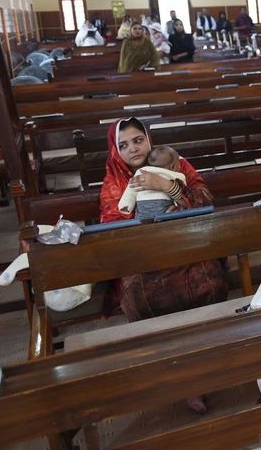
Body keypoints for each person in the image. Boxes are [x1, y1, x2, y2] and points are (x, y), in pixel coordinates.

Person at [99, 117, 226, 413]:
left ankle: (200, 371)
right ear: (116, 151)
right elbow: (114, 227)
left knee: (208, 284)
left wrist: (168, 187)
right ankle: (175, 376)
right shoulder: (115, 181)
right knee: (141, 300)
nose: (133, 148)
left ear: (148, 139)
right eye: (124, 144)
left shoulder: (175, 162)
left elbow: (206, 201)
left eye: (138, 140)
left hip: (187, 248)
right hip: (144, 260)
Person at [117, 145, 186, 219]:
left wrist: (125, 205)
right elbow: (186, 194)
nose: (133, 150)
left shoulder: (141, 171)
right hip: (164, 207)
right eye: (123, 146)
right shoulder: (175, 174)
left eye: (139, 140)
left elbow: (131, 189)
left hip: (142, 208)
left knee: (141, 219)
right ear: (173, 166)